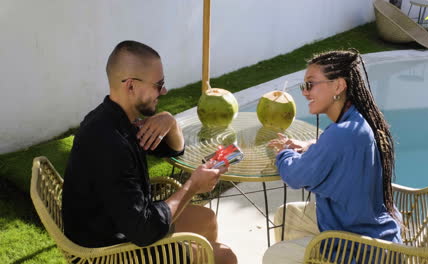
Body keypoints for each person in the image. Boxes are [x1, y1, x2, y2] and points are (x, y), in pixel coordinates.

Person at [62, 40, 237, 264]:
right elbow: (144, 231)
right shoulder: (110, 143)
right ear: (131, 86)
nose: (164, 90)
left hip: (117, 227)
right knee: (225, 256)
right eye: (158, 84)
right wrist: (193, 186)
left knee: (207, 219)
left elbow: (175, 148)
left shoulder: (119, 120)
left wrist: (170, 121)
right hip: (107, 253)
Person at [263, 50, 402, 263]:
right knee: (288, 213)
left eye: (310, 84)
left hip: (361, 249)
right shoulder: (357, 120)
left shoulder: (341, 133)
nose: (305, 92)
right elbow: (336, 148)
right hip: (374, 232)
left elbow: (295, 175)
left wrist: (284, 152)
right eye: (304, 86)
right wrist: (309, 146)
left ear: (338, 86)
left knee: (274, 256)